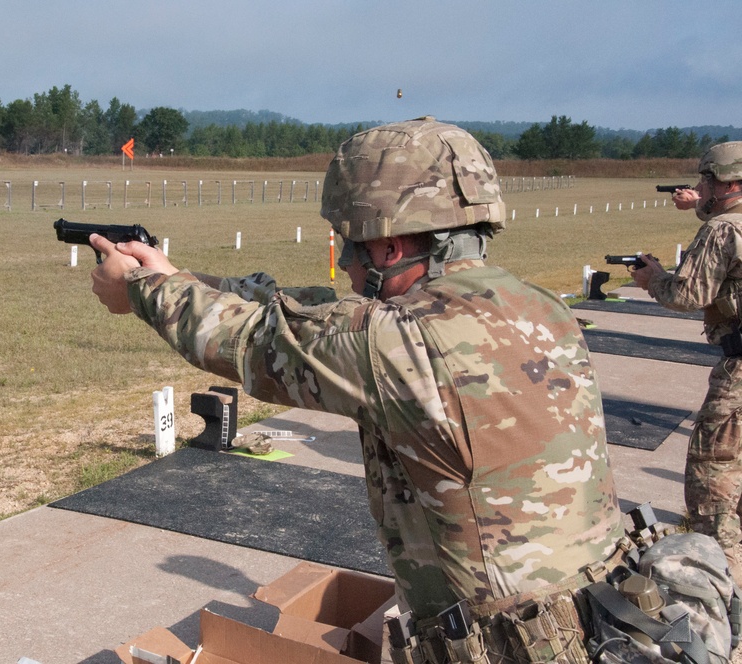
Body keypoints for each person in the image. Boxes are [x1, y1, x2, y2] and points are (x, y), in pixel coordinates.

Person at [89, 118, 625, 655]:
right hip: (595, 622)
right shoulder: (540, 307)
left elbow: (248, 341)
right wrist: (173, 273)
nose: (345, 264)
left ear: (390, 248)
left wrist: (138, 289)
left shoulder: (401, 342)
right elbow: (319, 314)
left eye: (350, 245)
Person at [633, 141, 742, 585]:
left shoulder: (721, 230)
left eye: (707, 180)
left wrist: (652, 277)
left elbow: (687, 294)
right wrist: (702, 207)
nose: (699, 187)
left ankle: (723, 587)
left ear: (729, 183)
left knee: (711, 476)